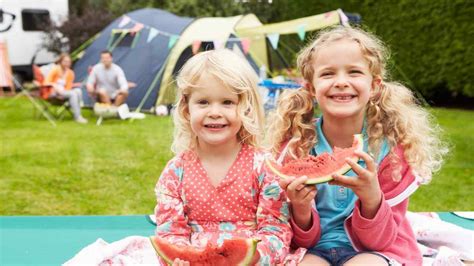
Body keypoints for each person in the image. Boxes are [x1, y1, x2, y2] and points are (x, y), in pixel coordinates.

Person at [268, 26, 448, 265]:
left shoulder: (392, 153)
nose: (341, 82)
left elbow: (379, 242)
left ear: (374, 86)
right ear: (311, 88)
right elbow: (301, 241)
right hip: (314, 249)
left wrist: (371, 198)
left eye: (354, 72)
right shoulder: (296, 147)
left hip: (379, 250)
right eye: (328, 74)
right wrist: (300, 209)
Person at [153, 49, 304, 265]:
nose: (215, 112)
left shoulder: (264, 167)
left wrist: (256, 258)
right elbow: (170, 233)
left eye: (227, 102)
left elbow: (275, 229)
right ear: (186, 110)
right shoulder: (174, 172)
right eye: (203, 102)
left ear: (246, 108)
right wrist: (176, 258)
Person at [44, 53, 88, 124]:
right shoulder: (55, 70)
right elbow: (46, 82)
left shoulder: (70, 73)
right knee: (73, 94)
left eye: (68, 62)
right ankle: (77, 117)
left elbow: (68, 87)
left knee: (78, 91)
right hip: (53, 93)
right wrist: (54, 86)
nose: (67, 64)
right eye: (65, 61)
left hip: (63, 93)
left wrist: (74, 85)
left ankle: (78, 113)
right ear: (61, 62)